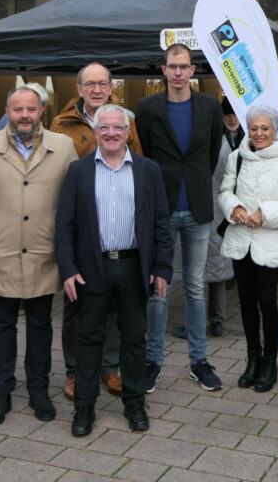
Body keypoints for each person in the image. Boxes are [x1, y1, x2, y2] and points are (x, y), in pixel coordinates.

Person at [55, 104, 174, 436]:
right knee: (89, 339)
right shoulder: (78, 171)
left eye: (117, 128)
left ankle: (135, 403)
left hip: (135, 267)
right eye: (104, 127)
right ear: (95, 132)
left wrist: (163, 267)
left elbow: (160, 225)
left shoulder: (148, 170)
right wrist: (67, 269)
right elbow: (64, 225)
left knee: (134, 338)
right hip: (91, 269)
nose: (110, 133)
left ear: (127, 132)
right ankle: (84, 408)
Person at [0, 85, 78, 428]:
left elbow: (73, 200)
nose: (25, 116)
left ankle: (38, 391)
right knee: (0, 325)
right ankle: (1, 392)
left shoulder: (63, 147)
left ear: (42, 111)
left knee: (41, 323)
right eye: (17, 110)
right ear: (6, 111)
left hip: (44, 251)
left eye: (31, 109)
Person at [135, 43, 225, 392]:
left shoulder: (209, 107)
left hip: (199, 209)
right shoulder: (147, 108)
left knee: (195, 288)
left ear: (192, 70)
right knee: (159, 289)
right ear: (164, 70)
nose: (177, 72)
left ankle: (198, 361)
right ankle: (153, 362)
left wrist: (197, 184)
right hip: (162, 210)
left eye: (183, 66)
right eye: (172, 66)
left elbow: (212, 156)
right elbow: (145, 151)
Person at [51, 63, 142, 401]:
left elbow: (140, 167)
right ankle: (75, 372)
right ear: (79, 89)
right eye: (89, 84)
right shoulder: (61, 124)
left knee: (116, 304)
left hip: (116, 221)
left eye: (102, 83)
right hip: (79, 220)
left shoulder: (126, 119)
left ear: (110, 86)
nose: (97, 89)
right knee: (76, 303)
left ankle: (110, 367)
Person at [218, 104, 278, 392]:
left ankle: (270, 360)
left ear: (275, 130)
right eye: (254, 128)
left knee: (267, 301)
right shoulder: (236, 157)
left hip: (271, 243)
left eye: (264, 128)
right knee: (245, 301)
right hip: (242, 241)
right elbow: (224, 192)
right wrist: (236, 207)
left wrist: (263, 213)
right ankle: (252, 357)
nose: (258, 133)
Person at [172, 96, 238, 341]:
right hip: (220, 212)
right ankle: (218, 322)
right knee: (217, 268)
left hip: (197, 209)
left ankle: (195, 325)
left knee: (196, 270)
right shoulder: (224, 145)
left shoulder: (198, 143)